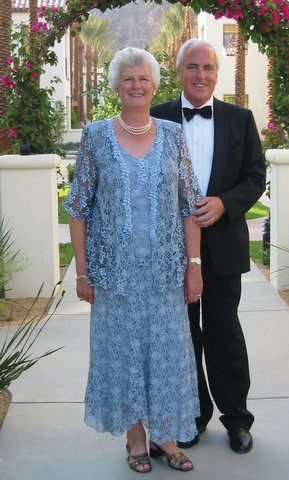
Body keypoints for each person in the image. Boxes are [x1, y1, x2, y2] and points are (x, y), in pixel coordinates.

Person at [64, 47, 203, 473]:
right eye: (128, 79)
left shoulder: (173, 135)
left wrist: (194, 265)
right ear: (117, 86)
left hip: (165, 274)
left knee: (166, 355)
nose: (137, 86)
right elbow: (77, 208)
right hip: (115, 278)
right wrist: (83, 271)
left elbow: (189, 205)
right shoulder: (96, 136)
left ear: (155, 84)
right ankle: (135, 440)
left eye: (143, 78)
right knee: (123, 357)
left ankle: (167, 438)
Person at [151, 39, 266, 454]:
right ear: (179, 71)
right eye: (192, 67)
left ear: (217, 73)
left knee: (224, 334)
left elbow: (255, 177)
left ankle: (237, 419)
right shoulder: (157, 116)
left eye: (209, 68)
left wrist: (224, 203)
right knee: (183, 338)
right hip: (171, 251)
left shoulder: (240, 118)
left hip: (223, 250)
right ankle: (192, 416)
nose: (201, 75)